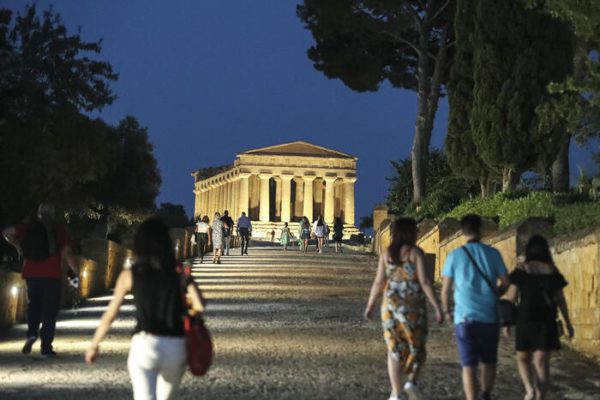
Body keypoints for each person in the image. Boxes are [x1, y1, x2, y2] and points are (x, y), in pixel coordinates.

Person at [85, 218, 205, 400]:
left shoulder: (130, 274)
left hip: (145, 344)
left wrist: (94, 345)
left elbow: (110, 314)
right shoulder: (180, 271)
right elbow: (199, 305)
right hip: (175, 345)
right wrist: (187, 311)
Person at [364, 218, 443, 400]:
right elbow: (424, 282)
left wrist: (370, 305)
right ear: (411, 233)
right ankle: (411, 382)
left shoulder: (387, 253)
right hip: (412, 306)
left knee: (394, 348)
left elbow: (379, 282)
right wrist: (437, 306)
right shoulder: (415, 254)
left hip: (390, 306)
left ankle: (396, 392)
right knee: (417, 345)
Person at [441, 214, 509, 400]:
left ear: (462, 232)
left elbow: (445, 289)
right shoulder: (493, 254)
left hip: (464, 317)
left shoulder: (455, 256)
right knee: (489, 360)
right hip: (489, 316)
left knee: (468, 365)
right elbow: (505, 282)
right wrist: (496, 294)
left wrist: (446, 311)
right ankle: (485, 394)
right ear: (480, 230)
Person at [2, 203, 80, 356]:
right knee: (49, 312)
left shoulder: (28, 227)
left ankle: (31, 334)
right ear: (53, 214)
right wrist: (75, 273)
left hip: (31, 273)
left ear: (39, 214)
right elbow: (66, 253)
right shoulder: (59, 230)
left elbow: (7, 232)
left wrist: (18, 245)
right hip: (52, 275)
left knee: (34, 305)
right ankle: (46, 347)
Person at [503, 235, 574, 400]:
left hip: (525, 319)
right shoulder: (552, 271)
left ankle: (529, 390)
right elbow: (560, 300)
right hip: (546, 320)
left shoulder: (521, 270)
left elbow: (511, 298)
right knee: (541, 362)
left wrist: (506, 323)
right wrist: (568, 323)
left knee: (522, 358)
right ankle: (541, 396)